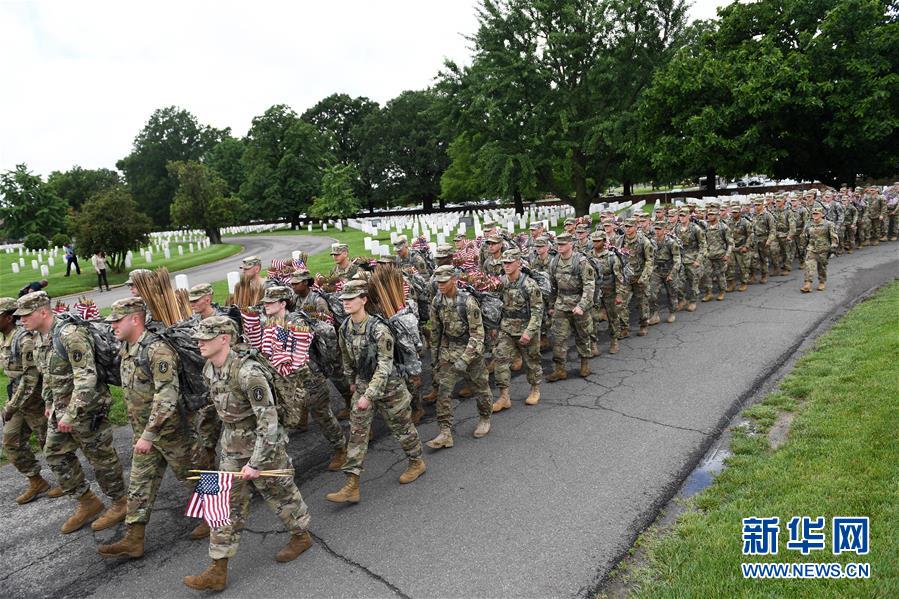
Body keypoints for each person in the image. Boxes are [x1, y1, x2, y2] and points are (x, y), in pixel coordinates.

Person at [185, 316, 314, 592]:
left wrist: (256, 463)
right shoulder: (210, 368)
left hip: (263, 444)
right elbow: (217, 410)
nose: (200, 343)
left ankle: (301, 536)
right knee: (221, 503)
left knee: (280, 493)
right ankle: (217, 569)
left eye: (206, 338)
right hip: (231, 444)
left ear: (224, 339)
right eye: (199, 338)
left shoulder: (248, 373)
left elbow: (268, 422)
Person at [16, 291, 126, 534]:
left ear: (43, 312)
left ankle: (120, 503)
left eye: (26, 315)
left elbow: (86, 377)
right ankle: (87, 501)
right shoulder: (39, 338)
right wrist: (48, 403)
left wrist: (72, 413)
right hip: (60, 409)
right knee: (54, 454)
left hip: (87, 409)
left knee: (101, 459)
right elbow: (48, 376)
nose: (21, 320)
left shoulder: (70, 335)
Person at [98, 298, 198, 559]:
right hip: (146, 435)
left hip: (172, 433)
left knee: (197, 476)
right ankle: (134, 539)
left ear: (135, 319)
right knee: (139, 485)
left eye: (117, 320)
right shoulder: (127, 349)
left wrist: (149, 434)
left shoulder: (157, 351)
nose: (112, 326)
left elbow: (167, 396)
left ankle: (219, 521)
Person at [327, 280, 425, 503]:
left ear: (364, 300)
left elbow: (385, 365)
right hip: (363, 386)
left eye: (351, 299)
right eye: (344, 300)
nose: (346, 303)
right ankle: (351, 484)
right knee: (357, 434)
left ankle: (416, 461)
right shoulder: (345, 329)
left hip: (389, 387)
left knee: (402, 427)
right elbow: (346, 358)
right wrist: (353, 381)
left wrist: (368, 395)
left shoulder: (379, 330)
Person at [0, 297, 62, 504]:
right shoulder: (5, 337)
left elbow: (30, 378)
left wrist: (11, 405)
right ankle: (37, 481)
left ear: (8, 318)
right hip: (18, 399)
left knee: (50, 442)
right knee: (11, 442)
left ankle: (67, 480)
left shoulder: (24, 339)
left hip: (34, 399)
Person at [428, 265, 493, 447]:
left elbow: (478, 335)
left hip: (471, 353)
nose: (440, 285)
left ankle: (485, 418)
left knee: (480, 388)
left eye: (444, 281)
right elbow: (436, 332)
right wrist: (435, 358)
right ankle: (445, 432)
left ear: (454, 280)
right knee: (443, 390)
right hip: (449, 352)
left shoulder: (468, 302)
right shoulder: (437, 301)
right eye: (438, 282)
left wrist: (465, 359)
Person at [491, 249, 543, 411]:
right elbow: (495, 306)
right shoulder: (500, 283)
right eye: (504, 263)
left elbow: (537, 311)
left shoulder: (529, 285)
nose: (506, 266)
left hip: (526, 328)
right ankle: (504, 396)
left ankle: (535, 389)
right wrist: (494, 327)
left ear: (518, 264)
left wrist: (529, 332)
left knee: (531, 361)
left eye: (509, 263)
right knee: (500, 360)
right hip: (506, 328)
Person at [547, 233, 595, 380]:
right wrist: (551, 305)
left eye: (562, 244)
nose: (559, 247)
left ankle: (585, 364)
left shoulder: (581, 262)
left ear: (570, 244)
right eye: (558, 244)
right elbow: (553, 286)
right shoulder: (554, 262)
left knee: (582, 335)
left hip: (579, 303)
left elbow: (589, 286)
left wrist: (582, 305)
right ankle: (560, 369)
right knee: (558, 338)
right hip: (561, 304)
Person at [800, 207, 839, 293]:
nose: (815, 215)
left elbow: (834, 236)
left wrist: (833, 246)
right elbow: (804, 236)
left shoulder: (828, 224)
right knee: (809, 266)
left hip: (823, 249)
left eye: (817, 214)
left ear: (822, 214)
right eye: (814, 214)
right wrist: (802, 247)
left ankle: (822, 281)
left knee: (822, 267)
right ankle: (808, 284)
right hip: (811, 248)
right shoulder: (808, 224)